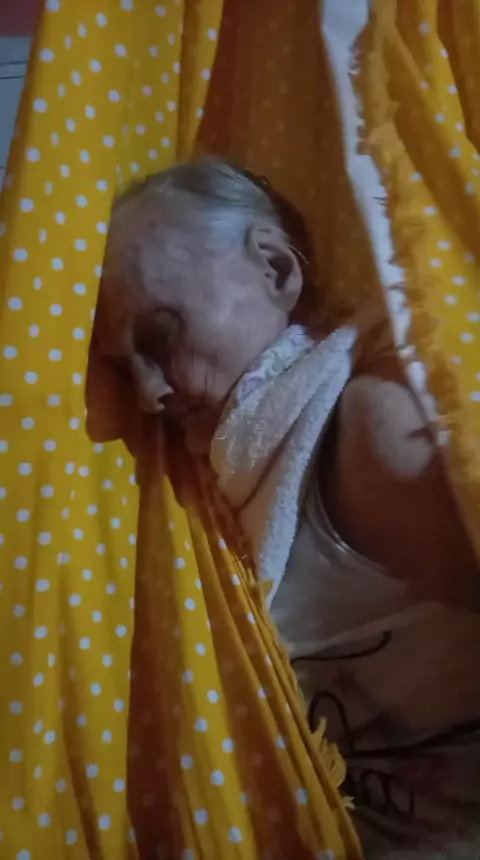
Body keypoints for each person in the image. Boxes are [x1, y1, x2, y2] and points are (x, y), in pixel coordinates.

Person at [95, 156, 480, 857]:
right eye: (126, 369)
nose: (148, 395)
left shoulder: (367, 428)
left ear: (275, 270)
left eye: (161, 335)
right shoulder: (232, 477)